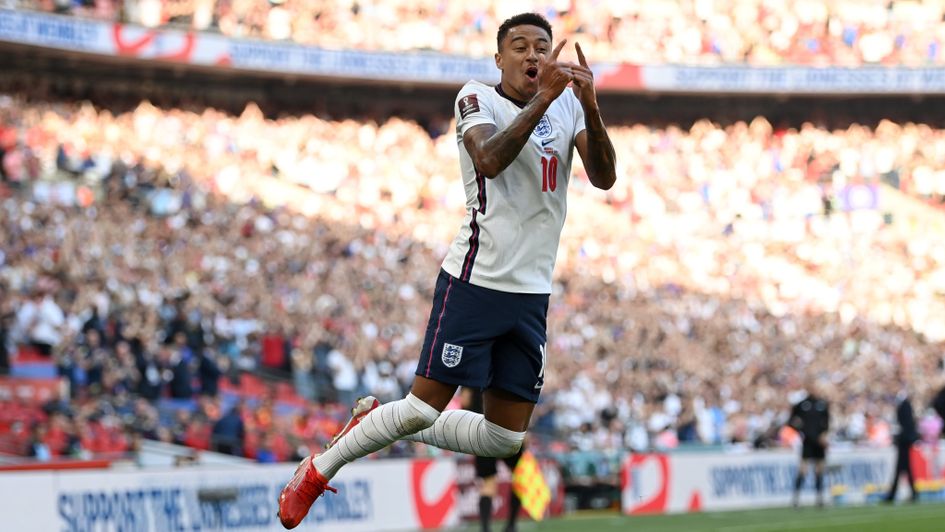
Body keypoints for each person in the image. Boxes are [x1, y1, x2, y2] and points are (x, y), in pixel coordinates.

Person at [277, 11, 616, 529]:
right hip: (475, 280)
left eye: (542, 47)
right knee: (420, 408)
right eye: (520, 46)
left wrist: (590, 108)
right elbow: (489, 160)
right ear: (498, 58)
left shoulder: (569, 105)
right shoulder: (476, 97)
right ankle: (318, 470)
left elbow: (605, 177)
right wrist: (547, 97)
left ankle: (374, 421)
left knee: (506, 438)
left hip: (531, 292)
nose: (532, 56)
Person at [462, 387, 525, 532]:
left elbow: (465, 400)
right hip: (507, 430)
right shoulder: (505, 372)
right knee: (520, 476)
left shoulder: (474, 373)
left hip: (482, 433)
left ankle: (485, 528)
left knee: (488, 483)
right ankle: (511, 524)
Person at [788, 379, 830, 508]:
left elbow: (827, 422)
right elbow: (791, 420)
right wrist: (801, 430)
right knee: (803, 469)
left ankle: (819, 498)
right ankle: (796, 498)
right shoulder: (801, 404)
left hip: (819, 442)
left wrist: (824, 435)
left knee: (819, 469)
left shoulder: (823, 404)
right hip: (807, 441)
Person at [885, 391, 918, 503]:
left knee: (901, 468)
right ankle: (912, 493)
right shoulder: (904, 405)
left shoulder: (904, 405)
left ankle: (893, 495)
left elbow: (906, 424)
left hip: (904, 441)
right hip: (904, 441)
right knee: (905, 469)